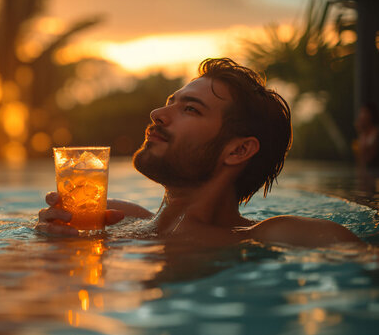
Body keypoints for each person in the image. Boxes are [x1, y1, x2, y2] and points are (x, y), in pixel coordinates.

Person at [36, 58, 362, 247]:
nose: (156, 114)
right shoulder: (112, 220)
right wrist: (50, 244)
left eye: (190, 109)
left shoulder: (277, 236)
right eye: (169, 102)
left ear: (238, 150)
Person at [353, 103, 379, 168]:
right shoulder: (362, 135)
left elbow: (367, 158)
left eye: (364, 112)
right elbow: (358, 159)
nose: (361, 115)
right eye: (361, 112)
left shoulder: (376, 134)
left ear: (371, 115)